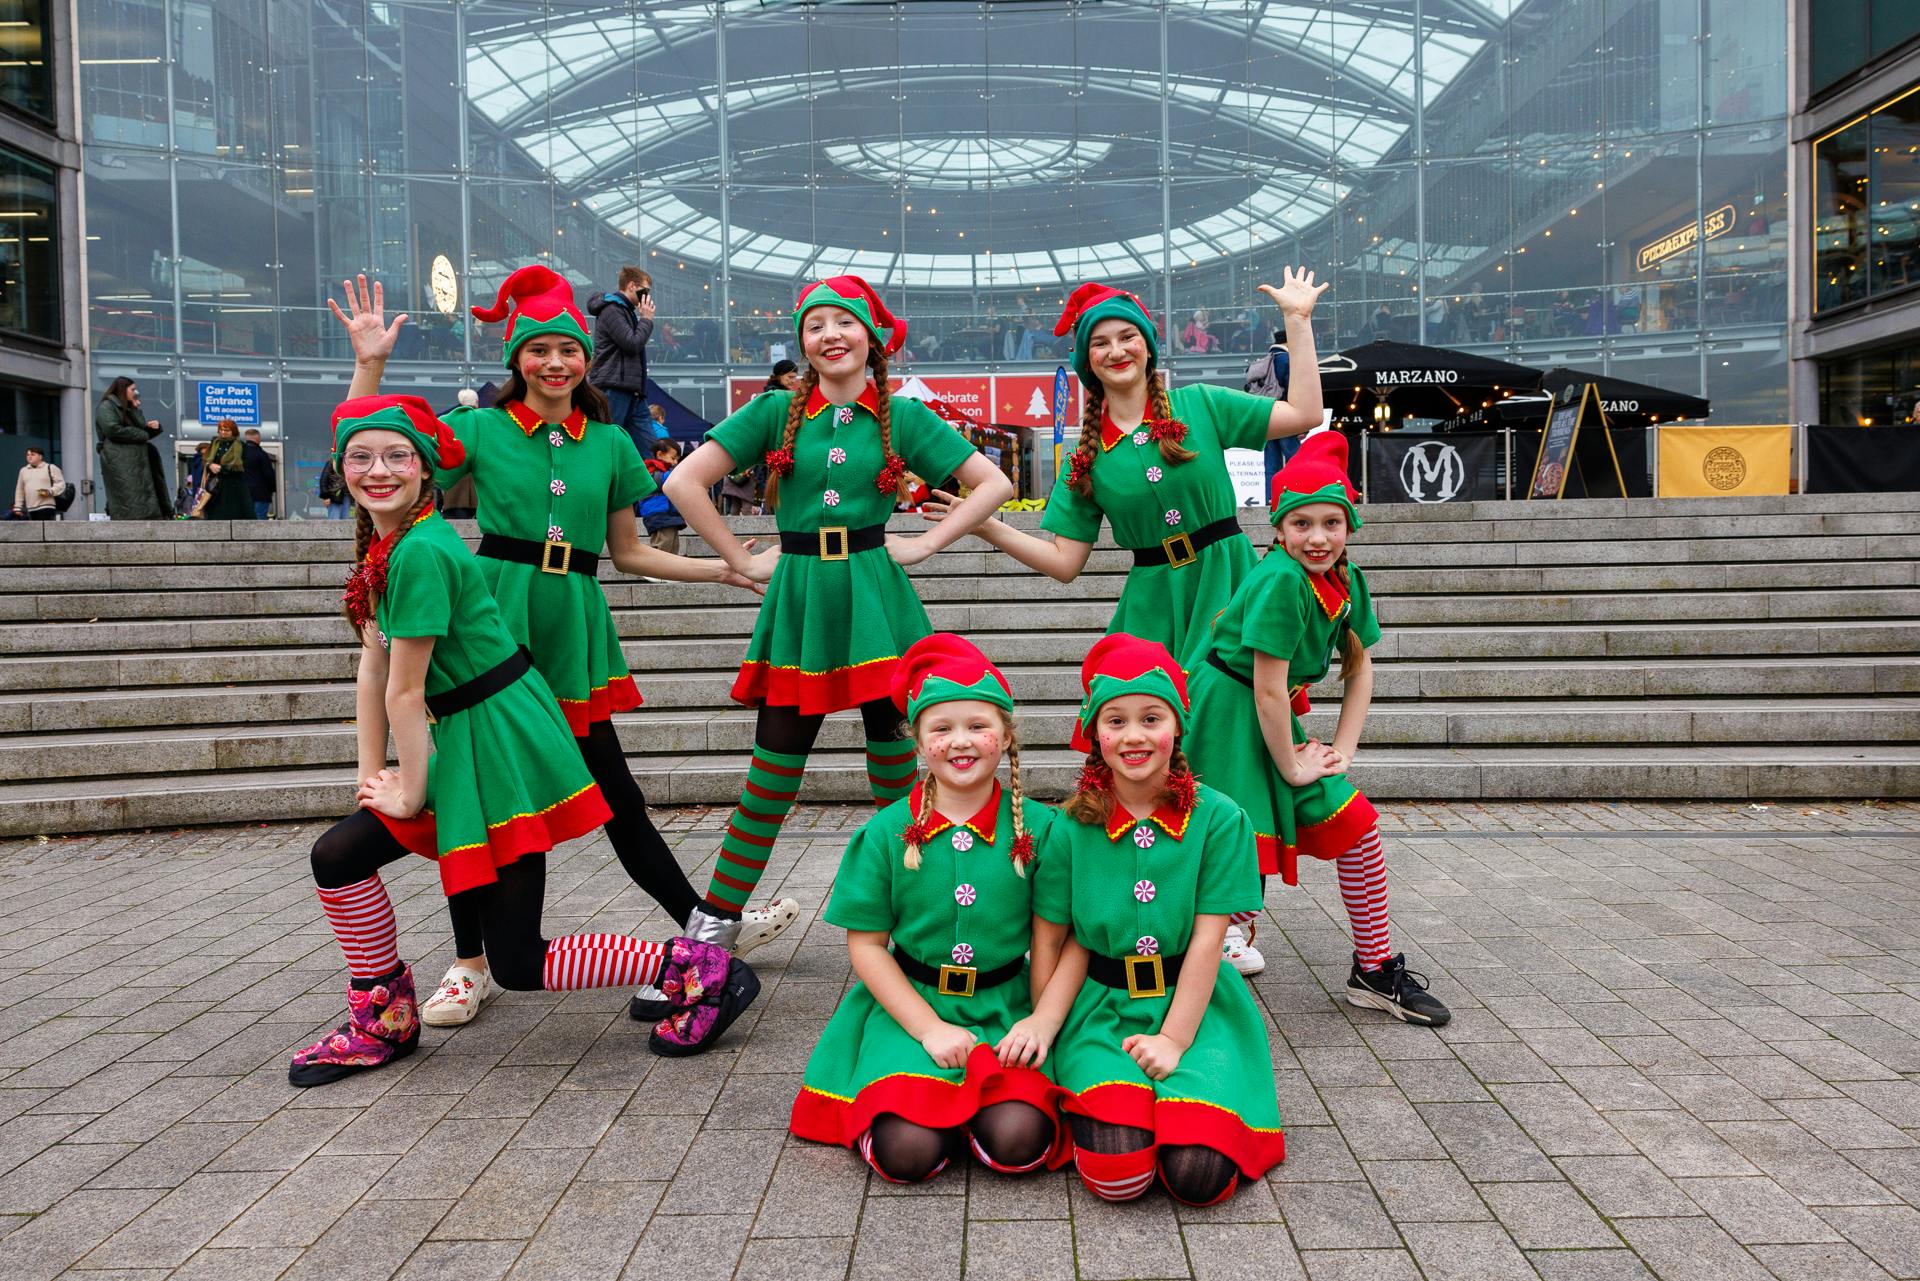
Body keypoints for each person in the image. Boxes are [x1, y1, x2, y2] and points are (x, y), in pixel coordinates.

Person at [334, 269, 795, 1034]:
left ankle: (699, 930)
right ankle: (470, 962)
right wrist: (370, 364)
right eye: (538, 350)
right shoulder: (478, 429)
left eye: (567, 350)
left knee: (616, 797)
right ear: (517, 359)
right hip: (490, 622)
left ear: (586, 359)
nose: (554, 363)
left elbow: (631, 550)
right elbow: (383, 453)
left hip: (572, 626)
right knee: (470, 795)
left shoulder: (611, 441)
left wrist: (724, 567)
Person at [290, 394, 753, 1086]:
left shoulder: (418, 552)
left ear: (427, 472)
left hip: (498, 742)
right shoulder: (388, 541)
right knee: (339, 855)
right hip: (473, 732)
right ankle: (381, 1018)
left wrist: (407, 789)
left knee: (517, 960)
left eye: (397, 456)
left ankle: (701, 969)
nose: (377, 469)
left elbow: (405, 691)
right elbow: (375, 665)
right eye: (360, 457)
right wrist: (370, 780)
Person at [665, 275, 1014, 1051]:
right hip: (799, 605)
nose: (830, 334)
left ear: (871, 338)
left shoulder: (904, 418)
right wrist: (737, 560)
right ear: (803, 343)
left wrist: (923, 544)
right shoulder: (773, 412)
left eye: (844, 322)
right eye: (815, 324)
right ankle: (707, 946)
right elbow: (684, 482)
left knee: (903, 779)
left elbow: (993, 483)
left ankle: (920, 940)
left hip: (877, 602)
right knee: (768, 780)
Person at [1183, 431, 1450, 1026]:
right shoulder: (1281, 579)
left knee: (1353, 824)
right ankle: (1199, 947)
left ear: (1350, 526)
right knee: (1226, 833)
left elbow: (1360, 665)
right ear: (1278, 530)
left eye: (1332, 522)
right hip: (1228, 711)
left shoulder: (1347, 580)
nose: (1318, 537)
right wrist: (1292, 763)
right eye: (1301, 524)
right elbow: (1268, 687)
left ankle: (1374, 969)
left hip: (1264, 711)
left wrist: (1345, 750)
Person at [790, 633, 1068, 1181]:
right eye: (941, 729)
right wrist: (927, 1029)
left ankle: (972, 1115)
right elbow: (867, 945)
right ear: (917, 741)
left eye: (978, 726)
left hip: (1005, 1011)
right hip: (911, 1010)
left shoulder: (1044, 828)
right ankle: (933, 1115)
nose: (960, 742)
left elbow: (1053, 938)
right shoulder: (887, 831)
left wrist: (1041, 1020)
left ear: (1006, 735)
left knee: (1018, 1142)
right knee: (908, 1153)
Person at [1031, 634, 1286, 1205]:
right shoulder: (1068, 824)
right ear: (1095, 735)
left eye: (1151, 717)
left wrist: (1173, 1038)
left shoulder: (1220, 818)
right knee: (1117, 1177)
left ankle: (1183, 1107)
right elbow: (1053, 938)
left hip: (1196, 1008)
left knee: (1200, 1175)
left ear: (1178, 726)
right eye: (1115, 721)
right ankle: (1110, 1104)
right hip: (1098, 1009)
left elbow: (1206, 942)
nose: (1134, 735)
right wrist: (1042, 1027)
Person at [586, 265, 656, 456]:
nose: (648, 297)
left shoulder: (625, 311)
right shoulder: (612, 310)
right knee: (606, 445)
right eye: (645, 290)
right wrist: (647, 319)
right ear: (632, 285)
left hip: (631, 390)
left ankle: (651, 484)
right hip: (613, 388)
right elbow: (632, 343)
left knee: (651, 450)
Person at [94, 377, 171, 520]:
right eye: (133, 389)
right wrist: (143, 433)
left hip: (137, 459)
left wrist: (150, 428)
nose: (135, 392)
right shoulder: (107, 406)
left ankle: (157, 515)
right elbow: (112, 429)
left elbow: (138, 433)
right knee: (129, 494)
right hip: (121, 459)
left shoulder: (127, 408)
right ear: (123, 390)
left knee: (144, 493)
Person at [200, 420, 254, 521]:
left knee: (236, 514)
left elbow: (243, 466)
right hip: (216, 487)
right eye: (220, 430)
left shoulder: (241, 446)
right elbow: (205, 461)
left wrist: (221, 468)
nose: (223, 432)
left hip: (234, 487)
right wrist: (210, 466)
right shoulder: (215, 443)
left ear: (233, 431)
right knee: (215, 515)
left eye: (226, 430)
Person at [639, 438, 686, 553]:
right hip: (658, 515)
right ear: (660, 454)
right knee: (663, 547)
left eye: (677, 459)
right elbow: (662, 482)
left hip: (669, 516)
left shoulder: (667, 470)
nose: (675, 462)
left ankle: (670, 570)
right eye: (673, 458)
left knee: (672, 548)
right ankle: (655, 570)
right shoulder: (651, 469)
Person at [12, 447, 64, 521]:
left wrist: (49, 491)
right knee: (35, 531)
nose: (29, 456)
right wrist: (18, 507)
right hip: (30, 507)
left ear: (40, 456)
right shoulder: (23, 470)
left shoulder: (50, 467)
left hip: (47, 506)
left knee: (45, 530)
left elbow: (61, 484)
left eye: (33, 454)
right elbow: (20, 490)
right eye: (27, 455)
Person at [243, 428, 277, 520]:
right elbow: (269, 475)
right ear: (258, 439)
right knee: (259, 522)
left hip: (243, 495)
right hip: (261, 494)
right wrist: (273, 489)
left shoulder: (239, 454)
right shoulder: (261, 454)